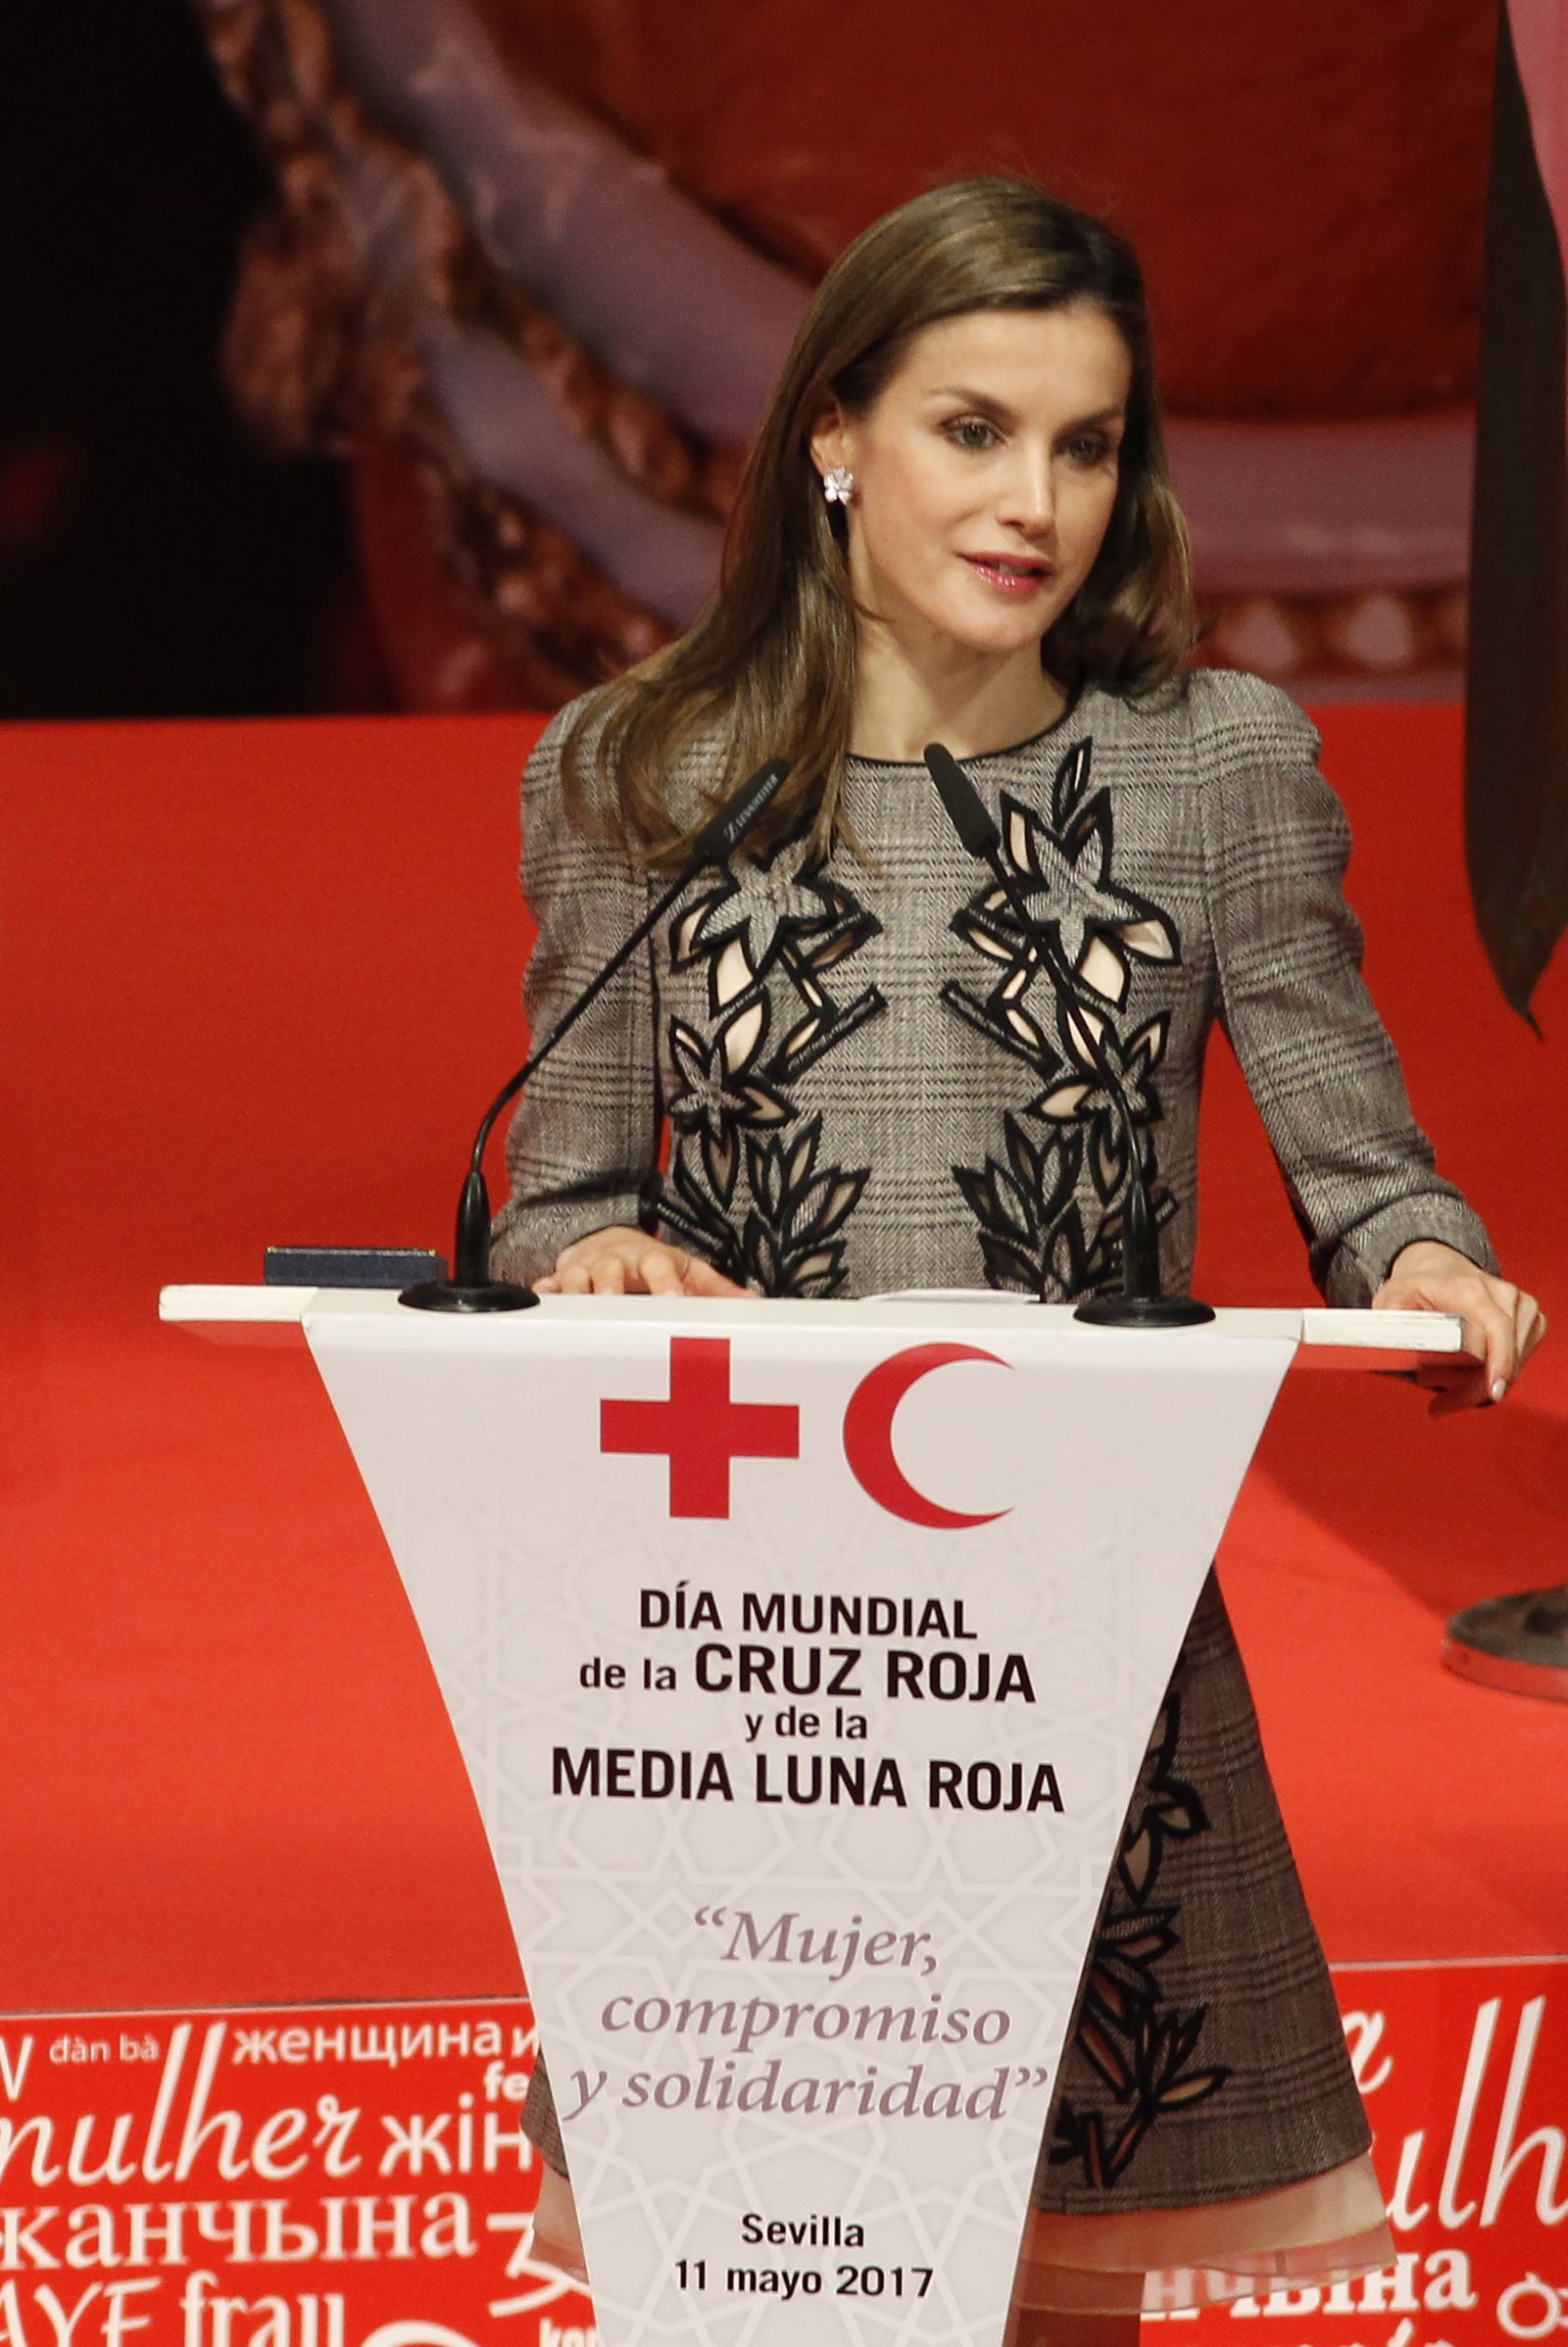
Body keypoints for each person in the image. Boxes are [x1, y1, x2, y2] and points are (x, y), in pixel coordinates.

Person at [489, 178, 1544, 2344]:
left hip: (1073, 1631)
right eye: (973, 430)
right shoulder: (638, 769)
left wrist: (1431, 1260)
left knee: (1063, 2256)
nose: (1035, 499)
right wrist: (592, 1255)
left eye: (1084, 445)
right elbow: (558, 1183)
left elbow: (1359, 1159)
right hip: (757, 1636)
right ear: (834, 434)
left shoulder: (1210, 767)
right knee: (762, 2261)